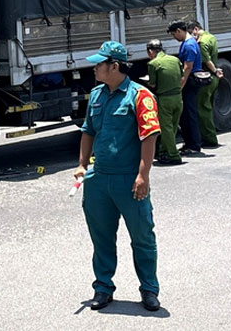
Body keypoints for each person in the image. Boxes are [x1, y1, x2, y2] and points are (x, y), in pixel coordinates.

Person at [75, 41, 161, 312]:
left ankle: (149, 290)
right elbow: (88, 131)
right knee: (101, 238)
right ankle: (102, 288)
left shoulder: (140, 96)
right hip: (99, 178)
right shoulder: (97, 95)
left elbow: (149, 136)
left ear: (114, 66)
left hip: (128, 179)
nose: (95, 68)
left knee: (142, 237)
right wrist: (81, 165)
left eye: (99, 63)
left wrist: (143, 175)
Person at [168, 20, 203, 156]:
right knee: (186, 114)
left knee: (189, 113)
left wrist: (181, 85)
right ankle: (189, 143)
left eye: (173, 34)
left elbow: (187, 67)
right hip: (190, 80)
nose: (174, 38)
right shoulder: (188, 43)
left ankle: (194, 145)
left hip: (190, 81)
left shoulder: (189, 45)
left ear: (179, 31)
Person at [146, 39, 183, 165]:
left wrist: (147, 82)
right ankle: (164, 152)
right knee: (172, 127)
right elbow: (181, 75)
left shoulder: (153, 64)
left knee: (166, 129)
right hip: (178, 98)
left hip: (165, 99)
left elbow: (152, 83)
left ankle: (174, 155)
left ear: (151, 52)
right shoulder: (175, 60)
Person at [188, 21, 224, 148]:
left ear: (196, 29)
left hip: (206, 77)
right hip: (212, 79)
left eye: (191, 32)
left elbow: (207, 61)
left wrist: (215, 70)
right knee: (207, 107)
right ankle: (209, 136)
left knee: (202, 109)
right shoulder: (211, 37)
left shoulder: (201, 42)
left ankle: (209, 139)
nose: (191, 36)